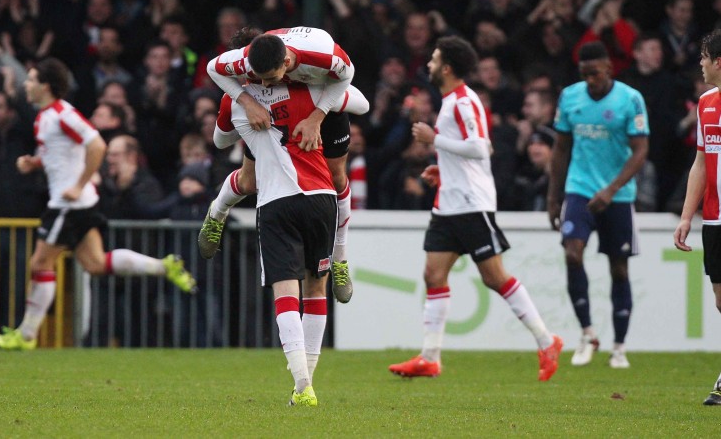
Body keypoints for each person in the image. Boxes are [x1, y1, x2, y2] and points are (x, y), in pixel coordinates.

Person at [0, 58, 196, 350]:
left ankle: (26, 335)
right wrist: (35, 163)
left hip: (68, 204)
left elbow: (96, 144)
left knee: (40, 261)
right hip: (78, 203)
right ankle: (165, 267)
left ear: (45, 86)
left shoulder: (62, 113)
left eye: (31, 79)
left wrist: (79, 183)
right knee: (95, 263)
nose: (26, 84)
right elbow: (63, 155)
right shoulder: (44, 117)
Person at [388, 36, 563, 382]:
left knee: (494, 277)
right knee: (433, 275)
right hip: (448, 205)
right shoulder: (450, 101)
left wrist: (433, 139)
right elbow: (465, 152)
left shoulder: (463, 102)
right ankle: (430, 357)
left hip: (470, 205)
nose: (429, 65)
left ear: (448, 67)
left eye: (434, 59)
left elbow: (481, 148)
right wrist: (444, 168)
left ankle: (547, 342)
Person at [201, 26, 369, 303]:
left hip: (323, 107)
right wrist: (244, 103)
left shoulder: (318, 64)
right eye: (254, 77)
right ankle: (216, 214)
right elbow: (214, 75)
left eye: (268, 78)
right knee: (248, 182)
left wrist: (317, 117)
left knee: (336, 179)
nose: (263, 85)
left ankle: (340, 259)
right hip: (277, 121)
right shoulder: (246, 69)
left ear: (285, 64)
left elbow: (361, 103)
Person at [215, 80, 340, 407]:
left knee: (286, 291)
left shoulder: (235, 100)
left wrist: (244, 114)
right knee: (316, 289)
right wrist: (318, 117)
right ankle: (304, 387)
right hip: (322, 197)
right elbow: (356, 101)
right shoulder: (310, 87)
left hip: (276, 202)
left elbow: (218, 140)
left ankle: (303, 385)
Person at [547, 41, 649, 369]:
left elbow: (640, 151)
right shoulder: (569, 97)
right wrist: (554, 197)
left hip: (617, 196)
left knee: (618, 268)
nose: (590, 79)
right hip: (579, 190)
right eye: (584, 74)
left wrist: (612, 188)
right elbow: (561, 148)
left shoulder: (630, 99)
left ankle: (618, 347)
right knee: (572, 254)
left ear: (609, 68)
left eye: (595, 73)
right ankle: (587, 333)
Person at [673, 29, 721, 406]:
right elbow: (701, 163)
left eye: (704, 57)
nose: (700, 64)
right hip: (715, 217)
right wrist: (687, 216)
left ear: (718, 61)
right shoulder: (706, 104)